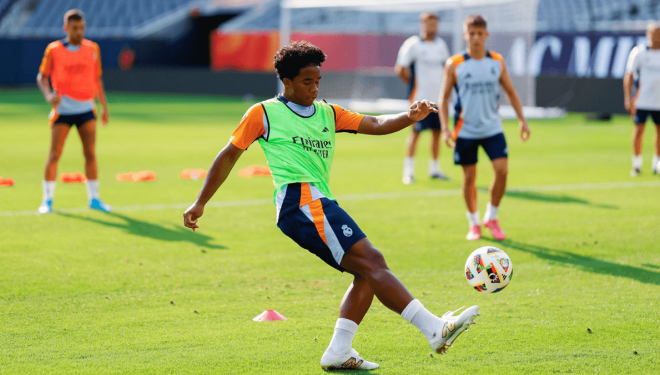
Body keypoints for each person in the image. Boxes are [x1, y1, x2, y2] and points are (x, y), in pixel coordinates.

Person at [183, 40, 480, 371]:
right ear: (287, 82)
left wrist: (411, 116)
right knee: (373, 261)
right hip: (299, 202)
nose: (314, 88)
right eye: (307, 82)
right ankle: (434, 328)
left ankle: (339, 351)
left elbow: (376, 124)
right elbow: (229, 155)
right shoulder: (263, 113)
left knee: (366, 271)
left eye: (318, 81)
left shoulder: (328, 112)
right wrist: (200, 202)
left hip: (318, 201)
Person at [438, 15, 530, 241]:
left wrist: (522, 119)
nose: (476, 38)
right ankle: (474, 222)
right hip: (465, 129)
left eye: (480, 33)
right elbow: (444, 97)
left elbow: (510, 91)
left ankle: (492, 217)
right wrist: (444, 128)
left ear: (486, 35)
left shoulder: (496, 61)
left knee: (502, 171)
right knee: (469, 178)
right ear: (465, 35)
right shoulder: (455, 64)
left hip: (492, 128)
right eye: (471, 33)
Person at [36, 9, 111, 214]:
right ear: (65, 28)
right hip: (63, 109)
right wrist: (48, 95)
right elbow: (41, 77)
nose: (78, 32)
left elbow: (97, 79)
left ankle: (94, 198)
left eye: (81, 28)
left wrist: (104, 106)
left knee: (90, 153)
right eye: (74, 28)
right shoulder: (54, 49)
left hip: (87, 108)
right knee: (55, 153)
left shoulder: (92, 48)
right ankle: (47, 200)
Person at [395, 12, 451, 184]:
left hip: (437, 99)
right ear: (422, 24)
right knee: (416, 132)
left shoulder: (441, 45)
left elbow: (446, 70)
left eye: (434, 24)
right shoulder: (412, 44)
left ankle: (434, 169)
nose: (432, 27)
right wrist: (413, 87)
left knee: (436, 133)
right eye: (429, 24)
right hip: (419, 99)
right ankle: (408, 171)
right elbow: (401, 68)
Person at [623, 22, 660, 177]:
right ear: (647, 34)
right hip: (642, 100)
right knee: (639, 130)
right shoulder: (639, 52)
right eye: (652, 32)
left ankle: (657, 163)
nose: (655, 36)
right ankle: (637, 164)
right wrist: (628, 98)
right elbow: (629, 75)